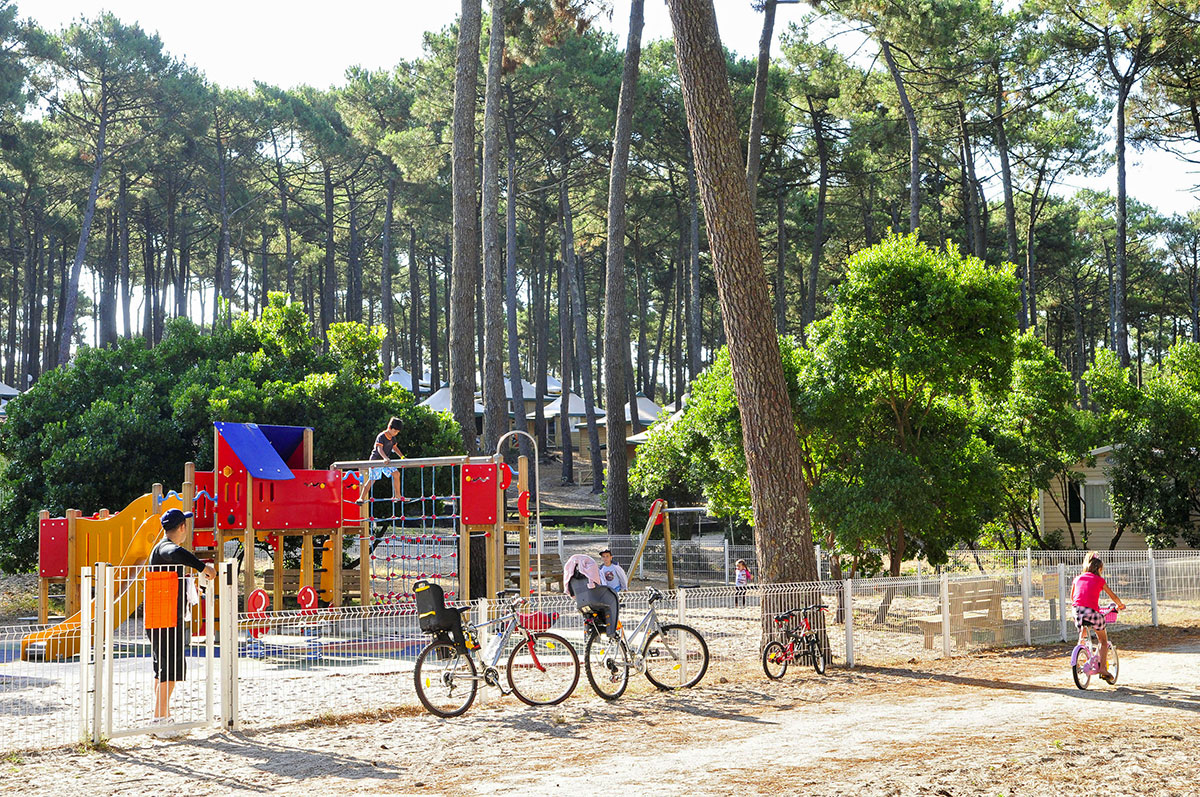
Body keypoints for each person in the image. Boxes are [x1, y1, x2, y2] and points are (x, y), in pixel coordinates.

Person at [147, 508, 215, 725]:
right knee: (170, 671)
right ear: (182, 527)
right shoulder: (165, 547)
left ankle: (163, 715)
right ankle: (159, 718)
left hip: (160, 617)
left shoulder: (159, 549)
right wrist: (203, 567)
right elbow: (175, 552)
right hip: (166, 619)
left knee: (162, 670)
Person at [1072, 552, 1125, 684]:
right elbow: (1113, 596)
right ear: (1099, 569)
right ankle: (1102, 669)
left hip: (1077, 611)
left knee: (1084, 627)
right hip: (1092, 612)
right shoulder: (1100, 580)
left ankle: (1081, 644)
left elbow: (1073, 597)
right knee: (1103, 640)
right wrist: (1120, 605)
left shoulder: (1077, 578)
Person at [564, 553, 619, 639]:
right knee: (612, 599)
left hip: (581, 602)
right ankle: (611, 632)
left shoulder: (573, 578)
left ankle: (589, 636)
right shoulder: (594, 572)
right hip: (596, 598)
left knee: (588, 615)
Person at [357, 417, 406, 504]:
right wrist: (385, 458)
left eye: (397, 432)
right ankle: (361, 498)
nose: (396, 433)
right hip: (376, 460)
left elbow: (395, 448)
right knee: (372, 479)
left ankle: (398, 495)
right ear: (389, 428)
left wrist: (402, 457)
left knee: (396, 474)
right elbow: (379, 448)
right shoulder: (381, 436)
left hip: (386, 462)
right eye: (395, 431)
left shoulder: (393, 438)